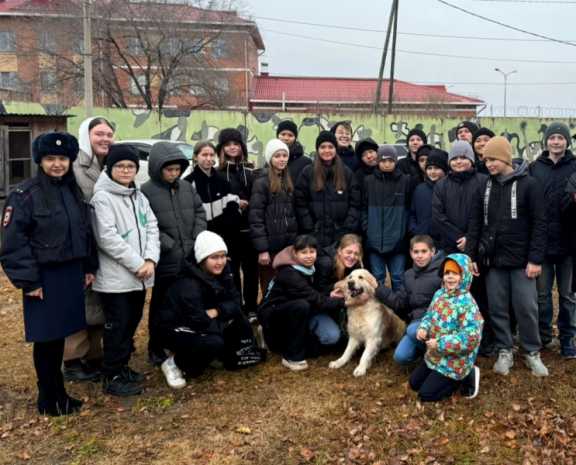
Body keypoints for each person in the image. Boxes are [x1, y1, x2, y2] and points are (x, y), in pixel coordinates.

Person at [0, 132, 98, 416]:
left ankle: (60, 393)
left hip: (70, 273)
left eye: (62, 158)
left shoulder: (72, 191)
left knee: (61, 337)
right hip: (43, 277)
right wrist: (29, 282)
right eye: (50, 159)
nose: (57, 164)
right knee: (46, 339)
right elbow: (13, 243)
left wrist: (89, 266)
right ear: (40, 161)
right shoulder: (25, 194)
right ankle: (48, 397)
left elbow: (85, 231)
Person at [467, 137, 549, 377]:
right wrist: (471, 254)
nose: (488, 164)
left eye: (492, 159)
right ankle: (505, 350)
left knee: (526, 307)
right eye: (485, 160)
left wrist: (535, 259)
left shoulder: (529, 185)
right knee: (497, 308)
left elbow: (540, 224)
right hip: (493, 261)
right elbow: (475, 223)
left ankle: (532, 352)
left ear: (505, 157)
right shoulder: (483, 186)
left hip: (523, 262)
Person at [91, 144, 160, 396]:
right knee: (117, 326)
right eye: (120, 166)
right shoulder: (102, 199)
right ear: (110, 168)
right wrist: (137, 263)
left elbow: (152, 227)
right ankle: (111, 374)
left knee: (131, 323)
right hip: (116, 279)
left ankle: (122, 366)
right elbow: (106, 238)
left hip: (141, 277)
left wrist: (151, 259)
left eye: (130, 166)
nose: (125, 170)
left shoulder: (139, 197)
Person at [157, 231, 263, 389]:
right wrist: (221, 321)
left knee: (240, 320)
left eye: (222, 256)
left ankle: (214, 354)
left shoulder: (224, 272)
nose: (220, 262)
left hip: (207, 317)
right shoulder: (188, 284)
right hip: (178, 327)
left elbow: (235, 302)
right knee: (213, 343)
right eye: (214, 257)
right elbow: (197, 320)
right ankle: (174, 362)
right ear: (202, 259)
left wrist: (218, 311)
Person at [141, 142, 207, 366]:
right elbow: (146, 225)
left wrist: (196, 236)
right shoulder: (146, 191)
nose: (173, 174)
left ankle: (181, 341)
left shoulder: (187, 188)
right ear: (157, 168)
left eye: (177, 169)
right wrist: (167, 243)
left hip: (189, 256)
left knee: (187, 301)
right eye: (169, 170)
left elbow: (199, 212)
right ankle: (156, 346)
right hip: (165, 260)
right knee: (161, 305)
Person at [63, 116, 115, 382]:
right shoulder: (76, 167)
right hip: (82, 245)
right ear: (87, 135)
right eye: (99, 134)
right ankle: (72, 359)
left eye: (109, 134)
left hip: (104, 244)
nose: (105, 139)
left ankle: (94, 355)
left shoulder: (109, 165)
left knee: (99, 300)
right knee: (80, 301)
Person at [257, 235, 344, 370]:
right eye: (304, 252)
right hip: (274, 315)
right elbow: (315, 299)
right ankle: (291, 357)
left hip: (300, 313)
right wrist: (346, 302)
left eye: (312, 252)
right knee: (301, 305)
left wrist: (330, 293)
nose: (309, 256)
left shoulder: (311, 268)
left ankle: (293, 340)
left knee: (326, 342)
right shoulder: (289, 273)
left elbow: (314, 293)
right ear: (295, 254)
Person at [529, 122, 576, 358]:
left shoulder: (575, 167)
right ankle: (544, 335)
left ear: (567, 142)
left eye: (560, 138)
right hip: (543, 243)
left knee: (567, 296)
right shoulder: (535, 168)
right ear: (545, 141)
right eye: (552, 138)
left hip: (569, 244)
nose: (556, 142)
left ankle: (567, 338)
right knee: (542, 295)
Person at [410, 253, 483, 402]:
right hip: (435, 354)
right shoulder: (439, 294)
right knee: (414, 384)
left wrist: (441, 343)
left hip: (455, 360)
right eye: (446, 273)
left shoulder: (468, 304)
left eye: (455, 273)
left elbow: (471, 338)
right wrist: (423, 328)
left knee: (426, 395)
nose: (449, 277)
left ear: (464, 276)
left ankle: (466, 375)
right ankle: (438, 376)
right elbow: (429, 315)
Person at [376, 236, 444, 366]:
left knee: (412, 330)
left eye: (424, 251)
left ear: (433, 251)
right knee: (400, 357)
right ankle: (424, 351)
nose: (419, 256)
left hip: (438, 324)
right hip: (416, 322)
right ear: (410, 253)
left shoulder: (442, 273)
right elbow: (400, 304)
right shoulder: (408, 275)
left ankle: (439, 356)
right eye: (416, 252)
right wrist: (378, 288)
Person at [216, 128, 259, 319]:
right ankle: (236, 308)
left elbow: (257, 198)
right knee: (231, 273)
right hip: (228, 232)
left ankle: (251, 308)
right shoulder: (217, 173)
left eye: (236, 144)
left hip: (249, 230)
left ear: (241, 147)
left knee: (251, 273)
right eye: (228, 144)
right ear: (222, 148)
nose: (232, 148)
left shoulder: (250, 170)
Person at [249, 139, 298, 297]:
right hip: (270, 247)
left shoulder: (288, 181)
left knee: (287, 285)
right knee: (269, 286)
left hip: (287, 245)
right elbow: (256, 217)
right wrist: (262, 249)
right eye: (277, 156)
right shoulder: (261, 182)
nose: (282, 159)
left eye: (285, 155)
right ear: (270, 158)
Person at [295, 131, 361, 248]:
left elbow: (355, 203)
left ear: (335, 149)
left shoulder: (346, 173)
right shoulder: (308, 172)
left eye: (330, 147)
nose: (327, 150)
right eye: (323, 147)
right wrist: (309, 226)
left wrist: (346, 228)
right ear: (317, 149)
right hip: (314, 236)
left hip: (340, 236)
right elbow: (300, 202)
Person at [362, 145, 411, 289]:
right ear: (378, 161)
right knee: (377, 278)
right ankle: (379, 310)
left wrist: (403, 232)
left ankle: (400, 310)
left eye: (390, 160)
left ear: (395, 161)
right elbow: (363, 208)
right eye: (383, 161)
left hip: (398, 241)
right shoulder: (369, 181)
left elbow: (409, 209)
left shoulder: (405, 181)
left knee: (398, 277)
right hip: (374, 240)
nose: (387, 164)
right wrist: (368, 229)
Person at [431, 141, 487, 254]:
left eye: (463, 157)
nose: (458, 161)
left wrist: (469, 239)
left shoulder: (484, 181)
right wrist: (459, 238)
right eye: (454, 158)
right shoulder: (441, 185)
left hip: (478, 245)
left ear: (471, 160)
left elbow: (488, 214)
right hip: (450, 245)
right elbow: (438, 216)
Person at [185, 141, 241, 239]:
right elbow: (188, 217)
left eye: (211, 155)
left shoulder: (222, 181)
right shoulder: (188, 183)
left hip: (223, 238)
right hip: (201, 239)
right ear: (195, 157)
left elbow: (232, 207)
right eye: (204, 155)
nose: (209, 158)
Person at [315, 233, 364, 334]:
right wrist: (332, 292)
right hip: (318, 306)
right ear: (339, 251)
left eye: (356, 253)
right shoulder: (326, 263)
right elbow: (316, 291)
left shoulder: (355, 265)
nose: (352, 256)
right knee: (333, 336)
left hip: (337, 304)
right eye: (349, 252)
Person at [409, 149, 448, 238]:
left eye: (437, 168)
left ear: (444, 169)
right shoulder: (419, 189)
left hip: (444, 241)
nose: (432, 172)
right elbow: (412, 213)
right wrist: (416, 230)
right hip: (423, 239)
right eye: (429, 168)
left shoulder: (450, 188)